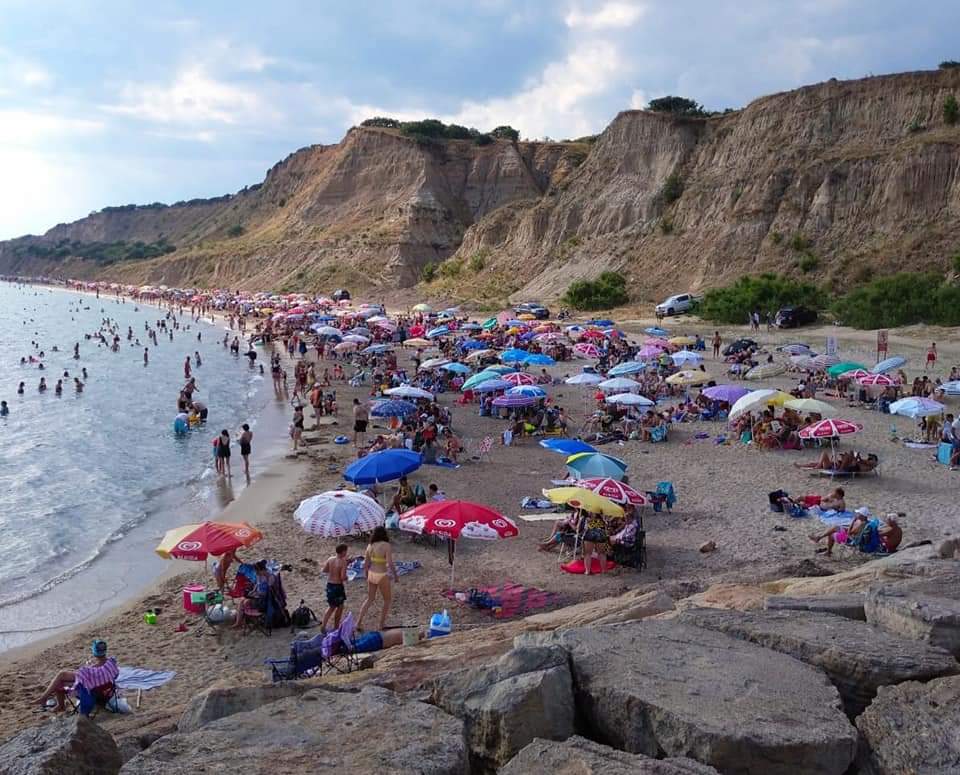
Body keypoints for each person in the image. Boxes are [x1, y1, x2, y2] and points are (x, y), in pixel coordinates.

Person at [36, 639, 118, 712]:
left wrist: (87, 669)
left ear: (94, 653)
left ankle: (55, 703)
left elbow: (80, 679)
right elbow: (114, 676)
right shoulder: (111, 664)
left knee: (60, 679)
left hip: (92, 694)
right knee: (65, 677)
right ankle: (48, 700)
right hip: (106, 692)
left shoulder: (89, 671)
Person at [357, 526, 398, 631]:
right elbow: (389, 562)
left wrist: (367, 576)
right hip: (381, 574)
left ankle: (359, 622)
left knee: (370, 599)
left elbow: (365, 564)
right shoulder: (386, 545)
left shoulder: (370, 546)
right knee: (387, 600)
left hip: (371, 574)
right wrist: (395, 575)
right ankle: (381, 624)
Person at [322, 543, 349, 632]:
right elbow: (342, 577)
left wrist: (333, 570)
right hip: (338, 586)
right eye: (346, 551)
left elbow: (324, 570)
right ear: (343, 551)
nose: (346, 553)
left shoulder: (330, 559)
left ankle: (323, 626)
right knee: (340, 607)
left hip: (329, 585)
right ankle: (336, 626)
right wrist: (347, 577)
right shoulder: (343, 562)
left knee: (331, 607)